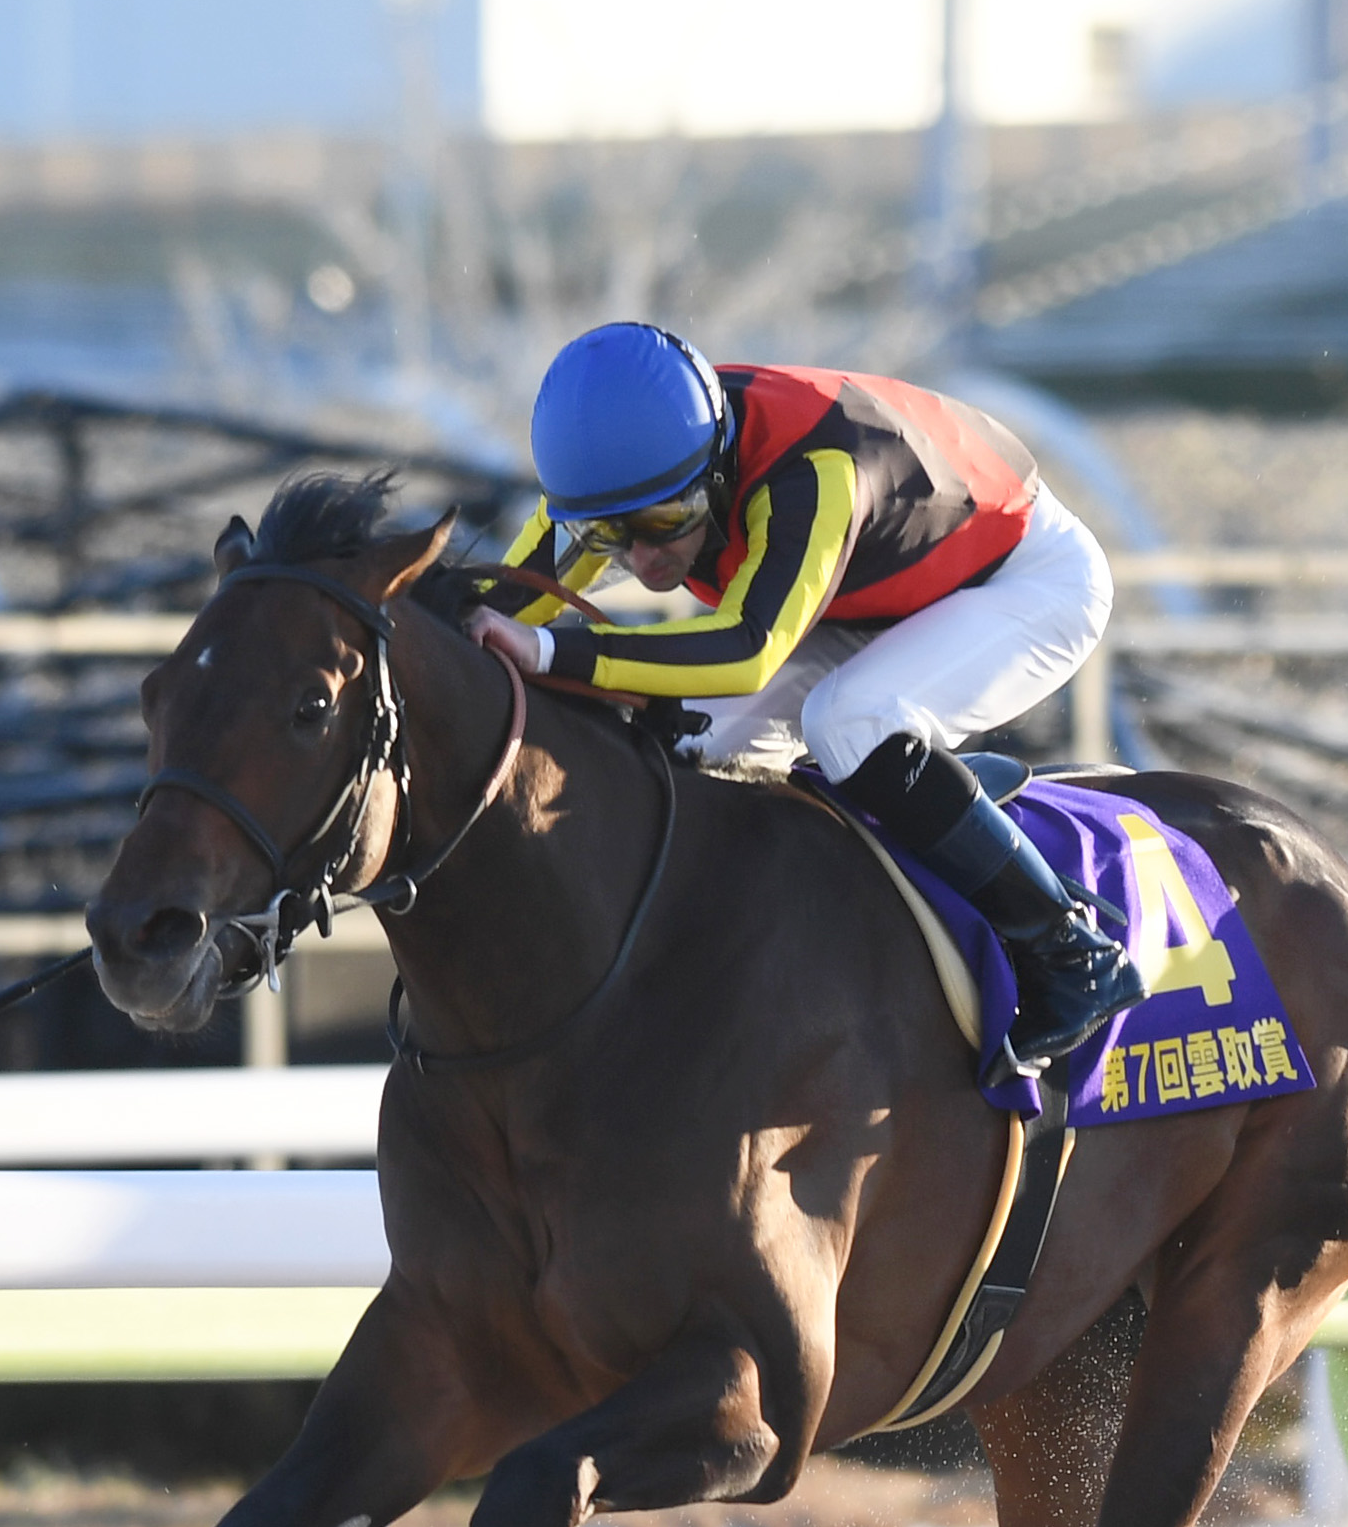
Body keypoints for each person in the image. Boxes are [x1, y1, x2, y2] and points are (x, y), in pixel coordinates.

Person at [465, 322, 1142, 1069]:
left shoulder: (810, 474)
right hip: (873, 590)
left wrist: (554, 650)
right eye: (607, 537)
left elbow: (748, 650)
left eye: (663, 525)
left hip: (1024, 578)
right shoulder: (632, 468)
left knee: (846, 721)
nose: (642, 558)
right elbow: (509, 596)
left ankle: (1071, 949)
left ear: (716, 471)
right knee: (689, 739)